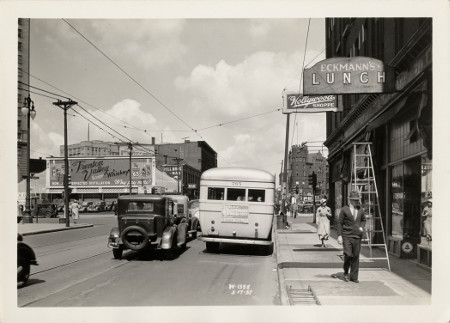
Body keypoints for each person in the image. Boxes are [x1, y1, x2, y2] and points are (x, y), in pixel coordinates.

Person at [336, 191, 366, 283]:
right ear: (350, 200)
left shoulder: (360, 209)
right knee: (348, 254)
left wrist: (361, 227)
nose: (356, 202)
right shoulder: (344, 209)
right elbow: (340, 223)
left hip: (357, 236)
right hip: (347, 236)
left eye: (357, 200)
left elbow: (364, 220)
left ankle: (354, 277)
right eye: (354, 200)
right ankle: (345, 272)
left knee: (356, 256)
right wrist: (339, 236)